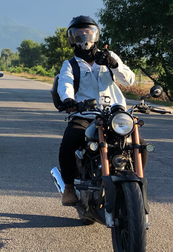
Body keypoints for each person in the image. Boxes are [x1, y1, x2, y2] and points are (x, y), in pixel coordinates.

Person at [55, 15, 136, 206]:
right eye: (79, 33)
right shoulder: (70, 64)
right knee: (69, 141)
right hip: (85, 114)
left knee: (138, 143)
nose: (84, 37)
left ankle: (132, 178)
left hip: (115, 114)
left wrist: (114, 64)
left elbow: (129, 80)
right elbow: (64, 82)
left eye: (88, 32)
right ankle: (68, 187)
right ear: (72, 38)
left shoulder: (109, 56)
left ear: (95, 35)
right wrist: (68, 99)